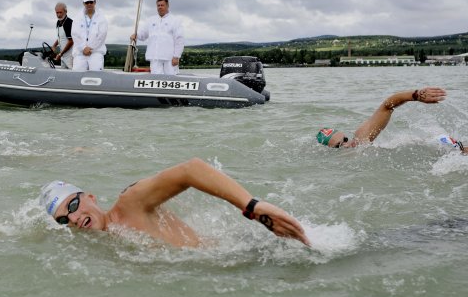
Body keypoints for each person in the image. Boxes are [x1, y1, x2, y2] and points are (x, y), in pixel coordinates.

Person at [40, 158, 310, 248]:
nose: (73, 219)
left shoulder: (130, 203)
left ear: (90, 197)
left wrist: (251, 207)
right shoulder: (103, 243)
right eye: (64, 220)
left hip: (244, 253)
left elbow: (190, 170)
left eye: (73, 206)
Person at [317, 87, 466, 154]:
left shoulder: (361, 140)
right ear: (329, 152)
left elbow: (387, 106)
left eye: (345, 139)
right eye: (339, 146)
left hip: (434, 146)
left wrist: (415, 95)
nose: (347, 145)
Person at [130, 0, 184, 75]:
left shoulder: (175, 21)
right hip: (154, 57)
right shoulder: (150, 20)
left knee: (171, 78)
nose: (160, 7)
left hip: (169, 58)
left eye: (162, 5)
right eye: (158, 5)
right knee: (155, 78)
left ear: (167, 6)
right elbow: (143, 35)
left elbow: (179, 39)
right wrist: (136, 35)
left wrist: (176, 56)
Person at [71, 0, 108, 71]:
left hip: (95, 52)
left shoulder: (102, 18)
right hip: (80, 53)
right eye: (87, 2)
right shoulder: (77, 18)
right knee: (76, 76)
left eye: (91, 2)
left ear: (95, 2)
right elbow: (75, 35)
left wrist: (90, 48)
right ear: (83, 3)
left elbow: (102, 36)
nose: (89, 4)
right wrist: (83, 48)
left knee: (97, 76)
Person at [52, 2, 73, 69]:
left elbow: (71, 41)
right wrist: (54, 45)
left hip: (70, 56)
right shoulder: (58, 22)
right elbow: (60, 37)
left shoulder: (69, 23)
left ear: (66, 11)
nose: (58, 15)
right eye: (57, 13)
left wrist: (60, 54)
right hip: (63, 56)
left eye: (60, 12)